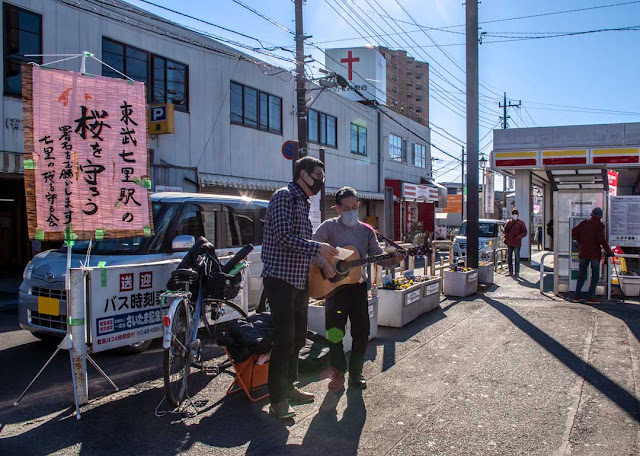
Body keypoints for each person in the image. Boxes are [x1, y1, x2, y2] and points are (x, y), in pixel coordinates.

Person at [261, 156, 339, 420]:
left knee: (297, 337)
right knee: (283, 339)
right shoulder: (283, 197)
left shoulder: (303, 202)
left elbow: (302, 244)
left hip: (299, 278)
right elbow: (284, 237)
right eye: (318, 175)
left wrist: (321, 262)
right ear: (302, 174)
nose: (321, 180)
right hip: (280, 278)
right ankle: (277, 400)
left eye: (323, 176)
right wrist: (318, 248)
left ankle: (290, 387)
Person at [312, 187, 405, 391]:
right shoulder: (328, 227)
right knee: (335, 333)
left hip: (358, 288)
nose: (351, 211)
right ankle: (338, 374)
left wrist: (393, 260)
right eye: (346, 208)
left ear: (359, 206)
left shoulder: (367, 231)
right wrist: (324, 264)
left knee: (361, 333)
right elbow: (311, 247)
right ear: (337, 209)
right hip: (334, 289)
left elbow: (379, 256)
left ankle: (356, 373)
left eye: (354, 207)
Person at [569, 207, 613, 304]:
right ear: (600, 216)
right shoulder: (599, 225)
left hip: (583, 252)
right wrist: (608, 251)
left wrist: (581, 241)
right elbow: (601, 240)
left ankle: (577, 295)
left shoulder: (585, 223)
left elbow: (574, 232)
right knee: (595, 275)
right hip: (594, 254)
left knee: (581, 274)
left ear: (592, 214)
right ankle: (590, 296)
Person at [504, 209, 528, 278]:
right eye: (513, 214)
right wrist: (506, 236)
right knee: (509, 258)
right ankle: (510, 272)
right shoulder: (508, 223)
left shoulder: (520, 223)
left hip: (517, 243)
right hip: (510, 243)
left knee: (517, 257)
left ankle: (516, 272)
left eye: (515, 214)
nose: (514, 215)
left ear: (517, 215)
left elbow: (525, 232)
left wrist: (518, 237)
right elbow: (504, 231)